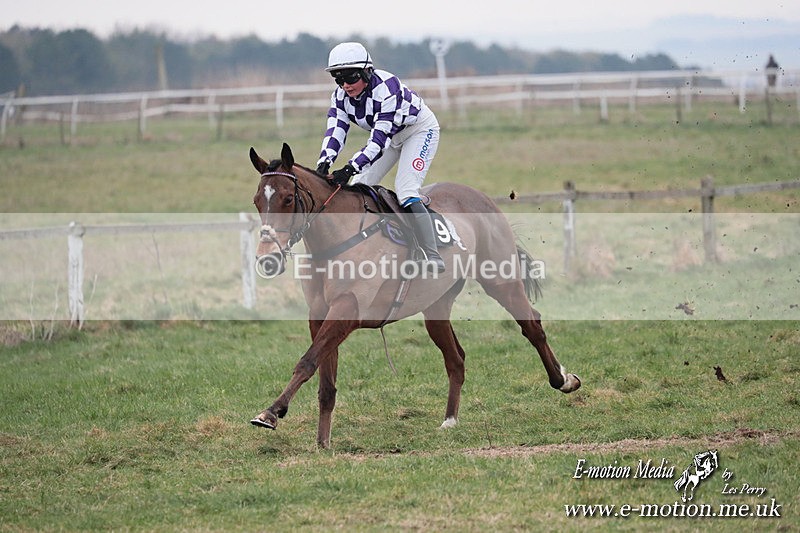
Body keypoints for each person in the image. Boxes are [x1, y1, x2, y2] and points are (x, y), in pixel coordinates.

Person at [316, 42, 445, 274]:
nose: (345, 85)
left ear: (367, 72)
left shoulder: (387, 89)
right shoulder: (340, 96)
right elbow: (336, 131)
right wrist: (324, 161)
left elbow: (377, 142)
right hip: (390, 136)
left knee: (405, 190)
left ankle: (431, 253)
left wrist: (349, 168)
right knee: (358, 187)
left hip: (418, 131)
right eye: (338, 79)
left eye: (351, 77)